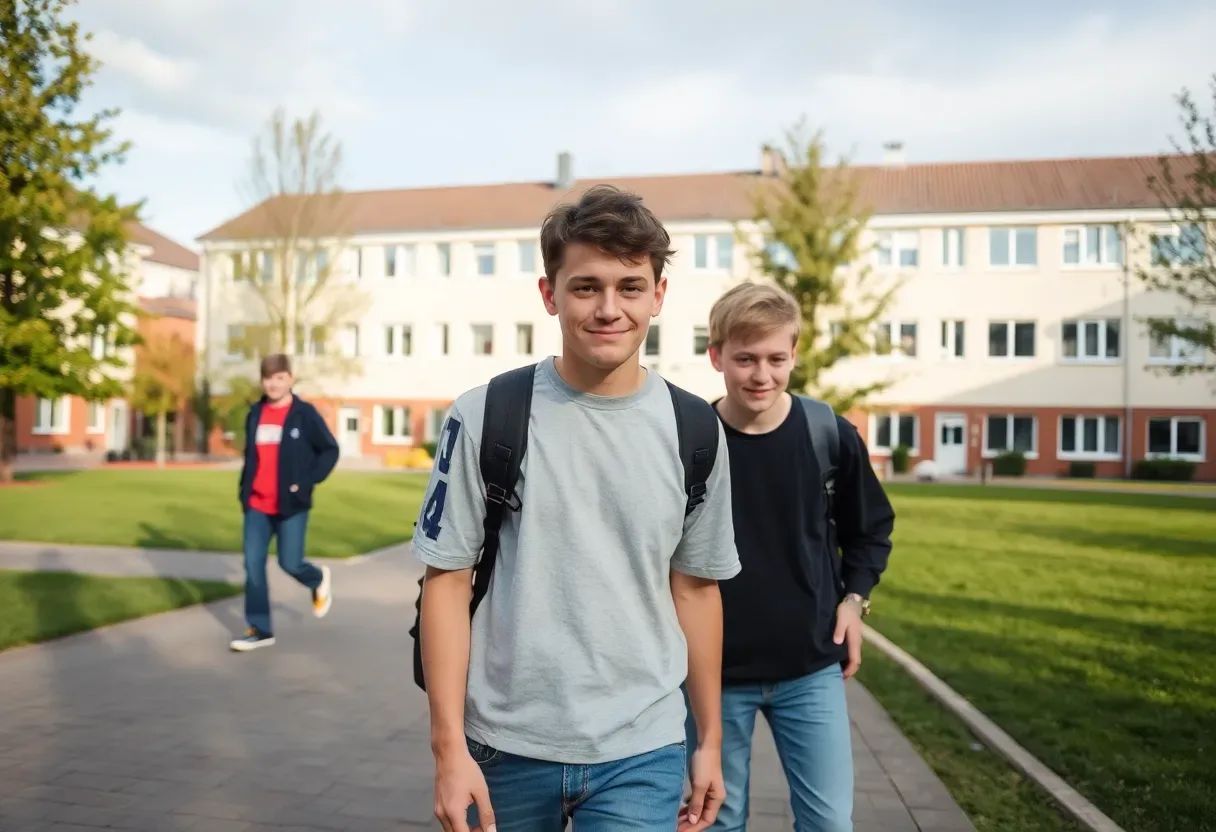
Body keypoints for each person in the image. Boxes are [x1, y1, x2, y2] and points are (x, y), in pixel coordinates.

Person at [415, 185, 741, 832]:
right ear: (550, 294)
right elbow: (445, 582)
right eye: (586, 287)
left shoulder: (696, 431)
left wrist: (709, 741)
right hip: (502, 746)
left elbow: (697, 591)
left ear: (658, 295)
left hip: (642, 748)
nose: (609, 309)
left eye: (630, 287)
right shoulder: (486, 415)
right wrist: (448, 750)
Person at [685, 282, 895, 831]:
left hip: (810, 669)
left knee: (829, 823)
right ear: (716, 356)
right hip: (713, 674)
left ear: (794, 355)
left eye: (776, 359)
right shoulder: (691, 442)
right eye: (746, 359)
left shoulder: (828, 433)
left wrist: (854, 601)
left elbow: (871, 529)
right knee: (718, 821)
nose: (762, 374)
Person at [230, 353, 339, 652]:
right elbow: (251, 457)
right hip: (257, 504)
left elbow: (329, 450)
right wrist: (244, 491)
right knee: (253, 564)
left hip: (291, 504)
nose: (273, 384)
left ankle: (317, 578)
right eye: (268, 378)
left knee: (289, 562)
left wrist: (306, 482)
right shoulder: (255, 413)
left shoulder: (304, 414)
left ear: (290, 379)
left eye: (279, 378)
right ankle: (260, 629)